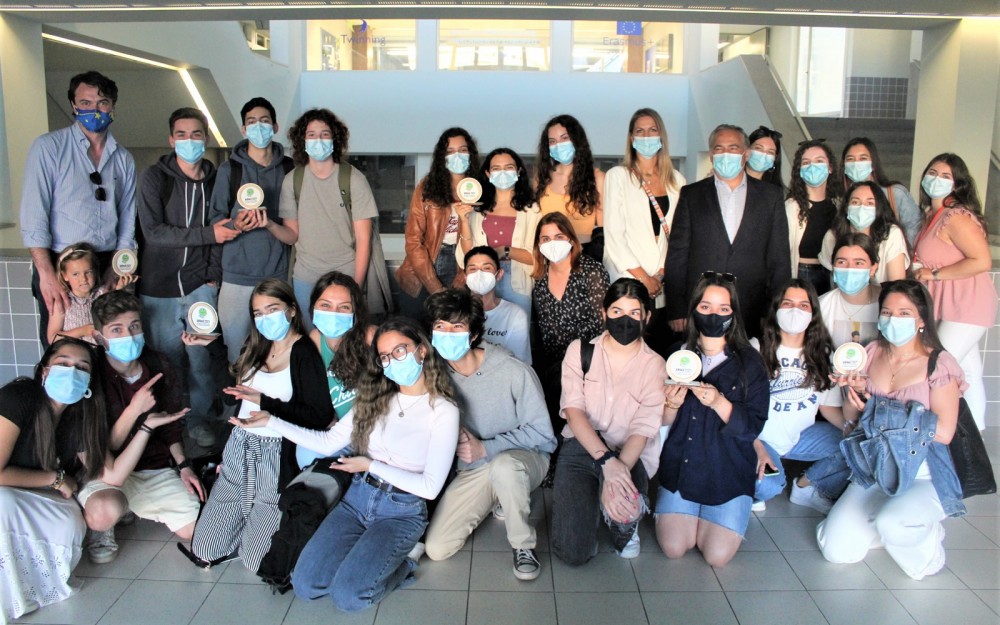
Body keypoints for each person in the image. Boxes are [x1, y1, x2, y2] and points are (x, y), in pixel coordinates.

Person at [231, 317, 459, 612]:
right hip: (356, 499)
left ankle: (405, 564)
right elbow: (327, 442)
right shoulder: (374, 397)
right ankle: (363, 559)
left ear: (422, 350)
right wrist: (271, 421)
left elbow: (429, 488)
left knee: (349, 597)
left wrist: (370, 465)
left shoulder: (443, 410)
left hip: (401, 511)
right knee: (305, 585)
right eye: (385, 357)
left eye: (400, 350)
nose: (393, 361)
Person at [0, 338, 183, 621]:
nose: (72, 372)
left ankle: (31, 585)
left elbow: (113, 475)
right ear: (45, 370)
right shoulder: (19, 397)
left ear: (89, 381)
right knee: (4, 503)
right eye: (63, 364)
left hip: (48, 494)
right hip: (13, 489)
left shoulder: (80, 416)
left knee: (69, 524)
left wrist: (146, 425)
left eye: (81, 367)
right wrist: (56, 478)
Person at [818, 280, 966, 580]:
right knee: (836, 550)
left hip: (923, 473)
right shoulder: (871, 352)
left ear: (921, 319)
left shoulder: (939, 364)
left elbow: (943, 432)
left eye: (903, 313)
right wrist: (854, 398)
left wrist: (878, 408)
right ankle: (890, 524)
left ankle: (925, 540)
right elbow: (852, 423)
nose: (892, 319)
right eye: (886, 312)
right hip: (876, 468)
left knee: (894, 526)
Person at [189, 279, 333, 572]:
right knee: (204, 550)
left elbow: (318, 416)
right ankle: (241, 520)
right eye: (258, 313)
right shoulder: (256, 345)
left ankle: (257, 524)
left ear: (291, 310)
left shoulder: (303, 352)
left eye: (273, 309)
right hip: (240, 446)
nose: (266, 318)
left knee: (255, 560)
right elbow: (230, 394)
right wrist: (213, 347)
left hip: (276, 453)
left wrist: (264, 402)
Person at [422, 289, 555, 580]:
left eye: (457, 327)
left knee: (505, 467)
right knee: (437, 548)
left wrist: (487, 448)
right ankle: (500, 494)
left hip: (525, 458)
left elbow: (544, 435)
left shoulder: (513, 370)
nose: (447, 334)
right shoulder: (434, 375)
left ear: (472, 335)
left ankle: (523, 545)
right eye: (440, 326)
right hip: (475, 467)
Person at [657, 272, 769, 567]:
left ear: (734, 313)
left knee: (716, 557)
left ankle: (737, 505)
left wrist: (720, 402)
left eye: (723, 308)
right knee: (673, 547)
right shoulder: (677, 356)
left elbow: (753, 425)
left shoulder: (750, 362)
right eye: (705, 307)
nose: (713, 315)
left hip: (727, 472)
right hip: (682, 467)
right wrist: (671, 403)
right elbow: (662, 421)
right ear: (694, 309)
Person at [551, 278, 665, 564]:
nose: (625, 320)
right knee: (573, 553)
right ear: (604, 313)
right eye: (617, 311)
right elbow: (574, 411)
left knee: (624, 518)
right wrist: (606, 463)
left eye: (634, 313)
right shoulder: (580, 351)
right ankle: (592, 501)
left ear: (647, 317)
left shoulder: (655, 364)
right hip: (582, 444)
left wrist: (618, 471)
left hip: (629, 451)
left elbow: (643, 427)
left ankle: (622, 523)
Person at [137, 107, 231, 448]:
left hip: (199, 288)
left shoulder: (217, 180)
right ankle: (171, 426)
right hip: (158, 290)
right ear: (171, 139)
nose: (189, 141)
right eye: (181, 134)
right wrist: (207, 235)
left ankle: (198, 421)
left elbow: (224, 230)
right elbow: (154, 232)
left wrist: (212, 277)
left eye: (196, 134)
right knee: (168, 362)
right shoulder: (154, 178)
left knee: (202, 363)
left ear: (206, 138)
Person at [20, 71, 137, 347]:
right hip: (62, 264)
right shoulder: (49, 148)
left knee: (109, 342)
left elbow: (127, 219)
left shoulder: (123, 158)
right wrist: (47, 274)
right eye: (85, 103)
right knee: (62, 347)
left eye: (102, 102)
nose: (94, 110)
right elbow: (34, 215)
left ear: (112, 106)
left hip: (106, 262)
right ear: (73, 105)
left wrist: (117, 266)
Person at [89, 291, 203, 550]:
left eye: (134, 326)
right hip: (106, 470)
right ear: (99, 337)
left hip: (151, 467)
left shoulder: (159, 364)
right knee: (104, 511)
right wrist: (135, 410)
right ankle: (112, 517)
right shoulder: (92, 373)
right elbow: (105, 446)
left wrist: (184, 466)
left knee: (194, 529)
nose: (128, 336)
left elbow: (171, 425)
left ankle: (133, 504)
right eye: (116, 330)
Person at [664, 124, 790, 337]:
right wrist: (676, 308)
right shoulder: (691, 195)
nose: (726, 154)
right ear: (711, 155)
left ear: (746, 154)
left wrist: (774, 310)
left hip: (752, 307)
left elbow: (779, 258)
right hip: (701, 305)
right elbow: (677, 254)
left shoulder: (771, 196)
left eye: (733, 148)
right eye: (719, 148)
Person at [912, 153, 996, 430]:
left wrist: (934, 274)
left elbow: (982, 261)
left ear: (957, 184)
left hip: (967, 306)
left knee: (937, 366)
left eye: (945, 176)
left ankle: (940, 433)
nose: (936, 180)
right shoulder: (932, 215)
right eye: (932, 173)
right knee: (969, 372)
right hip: (949, 307)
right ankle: (976, 439)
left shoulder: (955, 216)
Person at [752, 280, 849, 514]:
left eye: (803, 305)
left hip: (800, 437)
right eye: (787, 304)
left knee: (857, 446)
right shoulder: (756, 348)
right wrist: (756, 447)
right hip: (759, 440)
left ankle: (807, 486)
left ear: (813, 312)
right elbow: (737, 410)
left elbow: (827, 407)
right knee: (767, 487)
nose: (795, 311)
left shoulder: (823, 353)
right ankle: (751, 485)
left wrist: (853, 428)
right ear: (776, 309)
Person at [210, 97, 295, 364]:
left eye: (265, 121)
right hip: (236, 277)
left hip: (277, 275)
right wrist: (236, 224)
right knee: (237, 353)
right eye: (252, 122)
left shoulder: (290, 169)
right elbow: (215, 222)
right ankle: (239, 391)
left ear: (275, 127)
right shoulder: (229, 170)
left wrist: (269, 222)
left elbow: (296, 225)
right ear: (244, 129)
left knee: (279, 350)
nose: (259, 127)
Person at [280, 108, 378, 331]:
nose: (318, 140)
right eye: (311, 135)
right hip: (305, 277)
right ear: (302, 140)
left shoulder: (353, 179)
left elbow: (364, 239)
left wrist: (355, 287)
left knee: (345, 339)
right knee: (311, 338)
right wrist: (267, 224)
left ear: (335, 139)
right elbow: (291, 235)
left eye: (325, 134)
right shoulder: (292, 180)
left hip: (345, 275)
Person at [603, 108, 686, 354]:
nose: (647, 136)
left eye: (652, 130)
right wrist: (644, 279)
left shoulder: (677, 180)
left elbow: (679, 235)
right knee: (627, 346)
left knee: (659, 349)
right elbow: (614, 235)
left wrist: (660, 274)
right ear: (631, 138)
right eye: (640, 131)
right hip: (628, 278)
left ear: (661, 136)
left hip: (663, 281)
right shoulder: (618, 176)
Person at [531, 212, 610, 435]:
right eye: (545, 239)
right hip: (556, 367)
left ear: (571, 240)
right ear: (539, 245)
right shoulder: (540, 280)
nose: (552, 243)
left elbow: (605, 324)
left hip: (591, 363)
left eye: (558, 236)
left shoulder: (591, 271)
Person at [296, 271, 376, 471]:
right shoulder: (315, 339)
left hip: (374, 433)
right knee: (306, 454)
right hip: (338, 434)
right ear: (314, 307)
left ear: (355, 311)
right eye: (326, 305)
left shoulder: (371, 337)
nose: (334, 313)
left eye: (344, 307)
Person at [396, 128, 480, 320]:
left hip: (461, 263)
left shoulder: (479, 188)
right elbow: (413, 240)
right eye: (450, 151)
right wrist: (434, 286)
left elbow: (482, 240)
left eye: (463, 150)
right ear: (442, 156)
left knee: (452, 327)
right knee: (414, 328)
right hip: (423, 266)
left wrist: (463, 276)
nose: (457, 156)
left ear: (471, 153)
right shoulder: (428, 186)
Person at [457, 147, 540, 314]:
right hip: (482, 278)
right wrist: (464, 221)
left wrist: (504, 251)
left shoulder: (532, 210)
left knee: (516, 326)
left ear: (518, 171)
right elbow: (467, 255)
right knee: (481, 327)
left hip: (516, 281)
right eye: (496, 168)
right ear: (488, 174)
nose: (502, 173)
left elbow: (537, 256)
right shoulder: (477, 209)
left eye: (509, 167)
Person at [535, 114, 604, 251]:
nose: (558, 145)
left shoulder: (598, 178)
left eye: (564, 138)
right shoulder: (542, 179)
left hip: (584, 253)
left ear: (577, 140)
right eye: (552, 141)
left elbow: (603, 229)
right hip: (549, 255)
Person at [819, 181, 909, 284]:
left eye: (869, 203)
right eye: (855, 202)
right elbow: (833, 281)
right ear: (846, 208)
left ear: (878, 208)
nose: (862, 208)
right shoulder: (832, 236)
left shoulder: (891, 234)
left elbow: (897, 284)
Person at [47, 242, 136, 345]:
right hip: (75, 353)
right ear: (65, 276)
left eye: (88, 272)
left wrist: (120, 289)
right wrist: (81, 331)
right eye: (76, 274)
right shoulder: (63, 302)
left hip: (103, 353)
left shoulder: (103, 293)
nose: (83, 279)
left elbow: (117, 315)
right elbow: (52, 338)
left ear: (95, 271)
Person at [839, 137, 922, 246]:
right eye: (850, 159)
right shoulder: (841, 198)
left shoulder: (895, 193)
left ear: (873, 164)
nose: (856, 164)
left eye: (863, 158)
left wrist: (898, 251)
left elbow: (915, 227)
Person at [784, 139, 841, 295]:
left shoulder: (838, 205)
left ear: (830, 168)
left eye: (819, 161)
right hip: (802, 273)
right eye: (806, 162)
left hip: (831, 275)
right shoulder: (792, 206)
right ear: (800, 170)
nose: (812, 166)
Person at [464, 246, 531, 364]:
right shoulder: (454, 313)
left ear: (499, 274)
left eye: (486, 268)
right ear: (465, 277)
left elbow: (520, 364)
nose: (479, 274)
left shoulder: (515, 315)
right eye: (473, 269)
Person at [818, 233, 882, 347]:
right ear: (833, 267)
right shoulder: (821, 305)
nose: (849, 269)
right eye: (842, 262)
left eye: (858, 263)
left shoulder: (887, 304)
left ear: (873, 269)